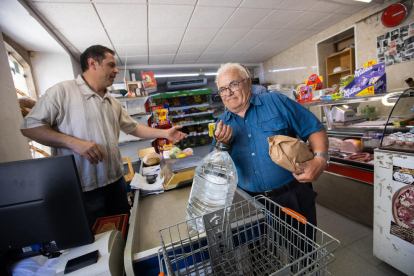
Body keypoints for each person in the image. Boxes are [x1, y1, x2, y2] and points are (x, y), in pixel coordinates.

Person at [21, 45, 186, 224]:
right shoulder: (62, 92)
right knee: (98, 242)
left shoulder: (112, 102)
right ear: (92, 63)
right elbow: (30, 127)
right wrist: (73, 143)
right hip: (84, 189)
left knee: (122, 232)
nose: (116, 70)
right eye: (111, 65)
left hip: (115, 182)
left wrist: (164, 133)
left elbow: (133, 128)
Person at [211, 62, 329, 230]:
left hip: (292, 196)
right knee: (261, 254)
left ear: (249, 83)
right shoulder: (221, 123)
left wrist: (320, 160)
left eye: (233, 84)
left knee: (302, 251)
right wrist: (222, 146)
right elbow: (218, 166)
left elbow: (314, 128)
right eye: (223, 89)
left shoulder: (276, 102)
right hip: (250, 203)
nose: (228, 93)